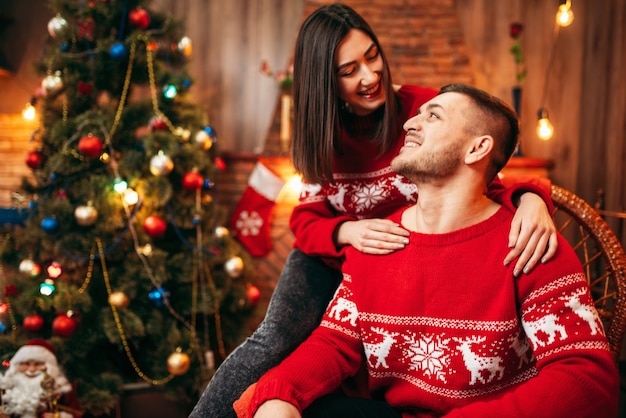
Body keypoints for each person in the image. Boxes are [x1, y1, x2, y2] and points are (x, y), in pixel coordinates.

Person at [188, 4, 558, 417]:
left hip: (401, 259)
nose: (369, 76)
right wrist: (347, 232)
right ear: (324, 81)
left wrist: (533, 198)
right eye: (349, 71)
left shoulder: (420, 110)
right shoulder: (317, 133)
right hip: (336, 255)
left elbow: (481, 175)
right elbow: (305, 220)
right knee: (273, 340)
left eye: (372, 56)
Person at [234, 83, 620, 418]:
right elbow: (334, 343)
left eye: (432, 116)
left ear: (478, 148)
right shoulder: (378, 241)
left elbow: (587, 380)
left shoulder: (530, 241)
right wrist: (277, 396)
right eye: (416, 115)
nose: (407, 124)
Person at [0, 339, 82, 418]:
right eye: (26, 364)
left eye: (38, 364)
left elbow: (77, 413)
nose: (31, 370)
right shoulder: (7, 389)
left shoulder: (62, 391)